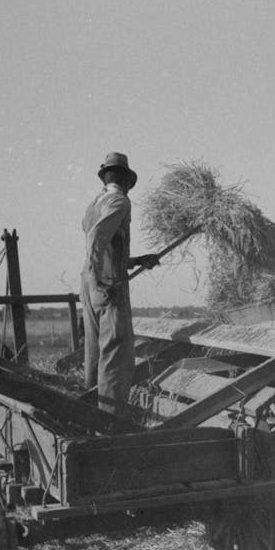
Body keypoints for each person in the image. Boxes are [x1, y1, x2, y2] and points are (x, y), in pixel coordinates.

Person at [81, 151, 160, 417]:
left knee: (95, 351)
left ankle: (87, 414)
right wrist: (101, 282)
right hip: (106, 283)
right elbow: (96, 240)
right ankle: (110, 426)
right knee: (117, 355)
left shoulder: (95, 203)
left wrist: (137, 260)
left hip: (92, 281)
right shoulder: (120, 201)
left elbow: (106, 249)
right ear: (126, 180)